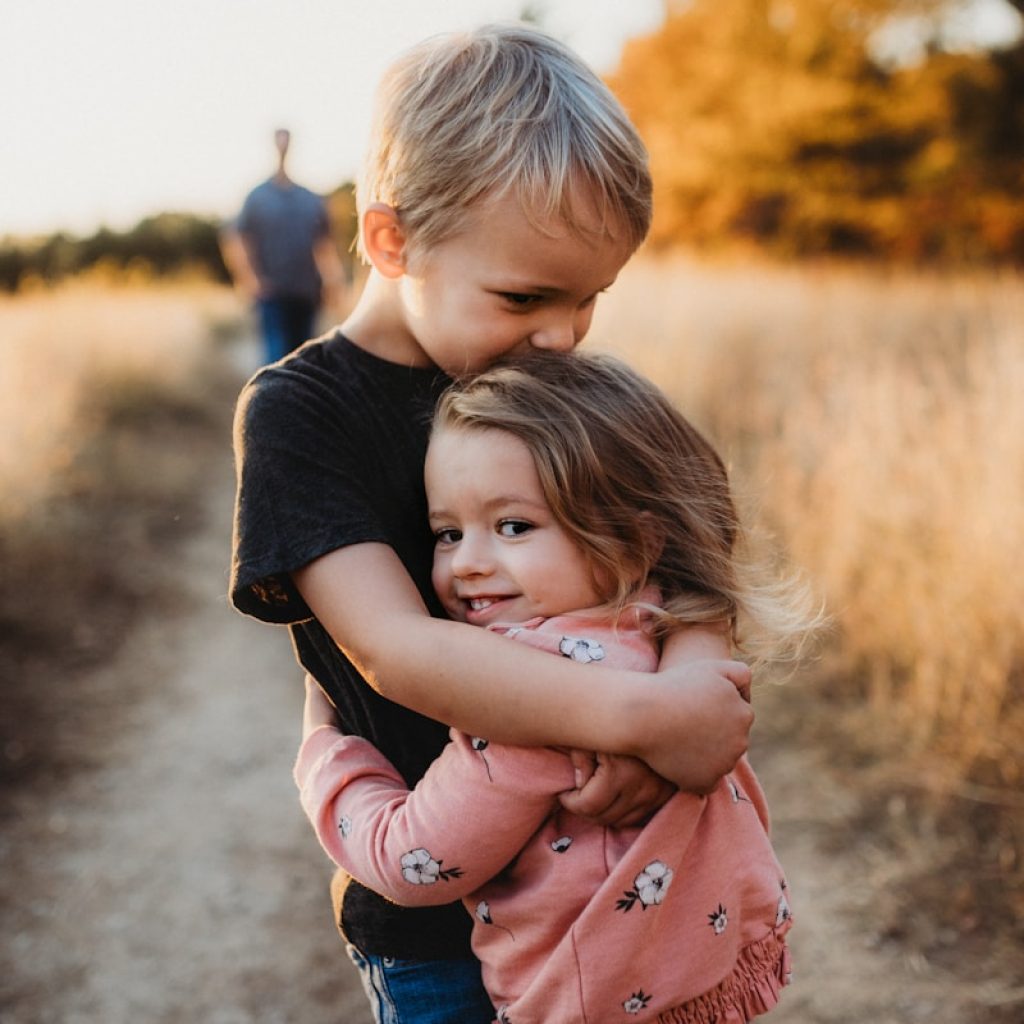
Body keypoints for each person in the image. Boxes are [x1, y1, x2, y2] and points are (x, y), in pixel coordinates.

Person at [230, 23, 754, 1024]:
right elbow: (396, 649)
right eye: (524, 296)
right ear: (392, 242)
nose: (559, 336)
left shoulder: (550, 385)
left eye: (589, 299)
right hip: (439, 921)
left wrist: (692, 678)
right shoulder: (303, 414)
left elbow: (692, 541)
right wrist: (642, 721)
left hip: (627, 891)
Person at [295, 351, 814, 1024]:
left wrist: (323, 751)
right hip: (710, 980)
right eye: (447, 533)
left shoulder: (525, 700)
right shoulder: (659, 626)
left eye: (513, 526)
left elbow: (411, 863)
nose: (469, 565)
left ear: (634, 537)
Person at [220, 127, 345, 364]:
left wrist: (333, 282)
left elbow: (324, 244)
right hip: (272, 294)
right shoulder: (257, 197)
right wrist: (249, 280)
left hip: (307, 292)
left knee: (303, 360)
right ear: (274, 145)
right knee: (276, 360)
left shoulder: (310, 198)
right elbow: (236, 238)